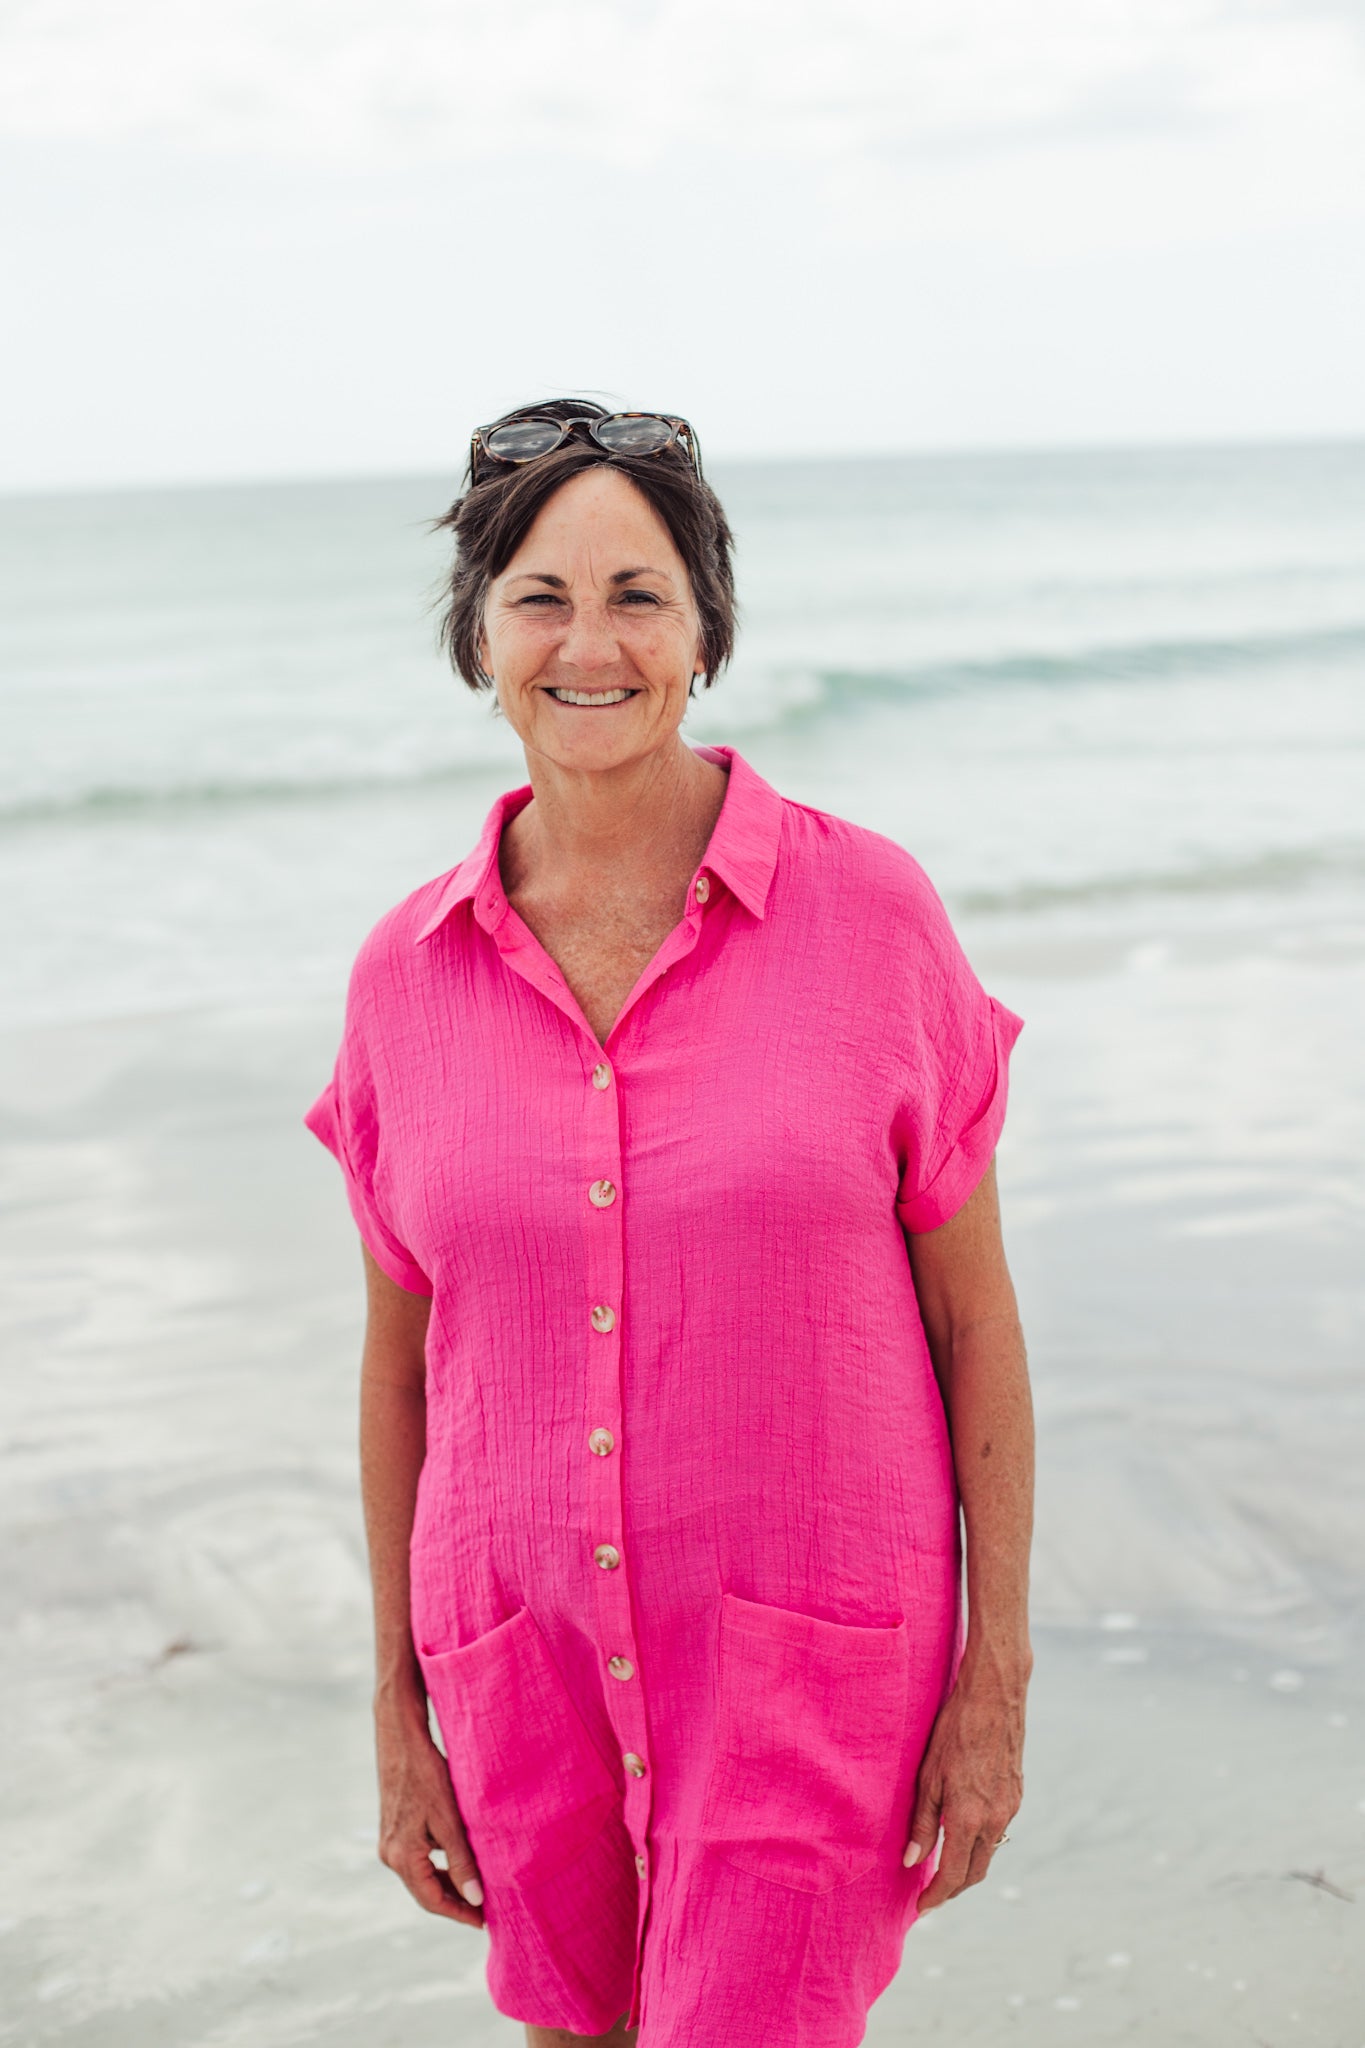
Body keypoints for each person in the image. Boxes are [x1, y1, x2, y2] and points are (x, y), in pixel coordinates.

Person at [303, 398, 1035, 2048]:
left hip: (808, 1661)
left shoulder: (873, 918)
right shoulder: (398, 980)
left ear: (704, 632)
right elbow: (399, 1375)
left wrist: (995, 1684)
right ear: (477, 639)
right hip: (518, 1657)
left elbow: (975, 1324)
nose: (590, 643)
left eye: (638, 593)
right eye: (540, 598)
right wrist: (393, 1708)